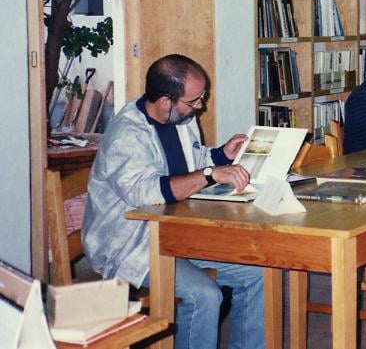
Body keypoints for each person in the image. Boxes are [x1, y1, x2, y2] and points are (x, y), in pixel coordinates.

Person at [82, 54, 264, 349]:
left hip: (178, 231)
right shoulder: (126, 135)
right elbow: (146, 192)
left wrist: (221, 156)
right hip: (131, 245)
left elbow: (190, 162)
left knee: (260, 272)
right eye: (194, 101)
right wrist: (210, 173)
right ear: (166, 100)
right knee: (204, 295)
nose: (201, 106)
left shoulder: (180, 118)